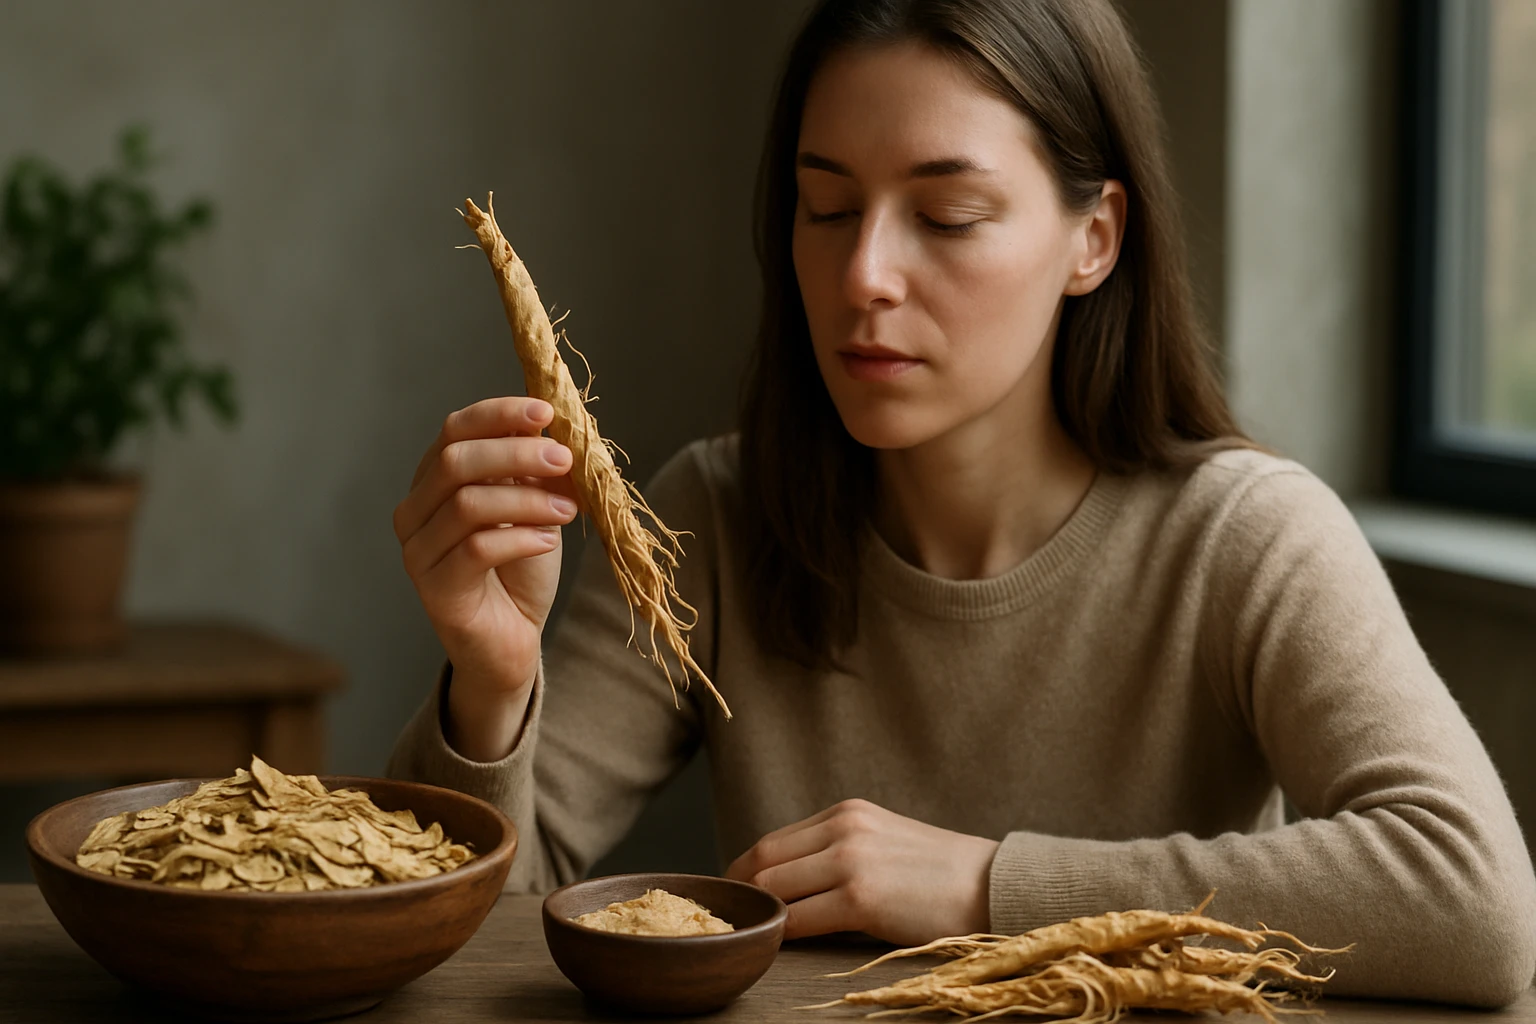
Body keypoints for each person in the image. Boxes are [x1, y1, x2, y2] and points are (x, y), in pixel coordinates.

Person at [388, 0, 1536, 1005]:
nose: (863, 277)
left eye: (946, 216)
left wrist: (990, 884)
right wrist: (494, 682)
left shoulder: (1245, 536)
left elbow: (1474, 902)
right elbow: (461, 917)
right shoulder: (718, 518)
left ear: (1095, 238)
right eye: (825, 208)